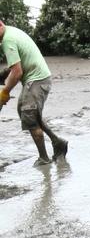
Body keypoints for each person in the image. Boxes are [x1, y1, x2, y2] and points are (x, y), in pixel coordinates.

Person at [0, 19, 68, 164]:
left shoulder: (7, 40)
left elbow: (17, 72)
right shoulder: (12, 32)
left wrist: (4, 92)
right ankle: (58, 142)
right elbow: (19, 63)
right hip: (40, 78)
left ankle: (43, 158)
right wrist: (4, 73)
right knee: (28, 113)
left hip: (37, 80)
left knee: (29, 116)